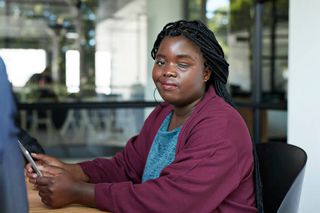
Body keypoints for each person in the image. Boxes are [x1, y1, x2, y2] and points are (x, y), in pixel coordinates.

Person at [26, 20, 260, 213]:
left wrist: (78, 191)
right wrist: (72, 171)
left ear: (206, 73)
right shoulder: (164, 114)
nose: (167, 70)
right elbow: (127, 167)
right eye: (161, 61)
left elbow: (172, 202)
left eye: (182, 64)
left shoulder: (220, 126)